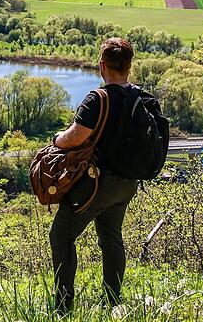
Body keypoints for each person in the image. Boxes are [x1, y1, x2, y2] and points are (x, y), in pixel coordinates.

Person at [49, 37, 138, 314]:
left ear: (102, 66)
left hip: (97, 183)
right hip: (127, 183)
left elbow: (74, 138)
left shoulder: (98, 99)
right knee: (111, 237)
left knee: (61, 235)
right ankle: (112, 301)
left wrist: (56, 139)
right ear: (129, 66)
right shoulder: (140, 98)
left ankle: (63, 307)